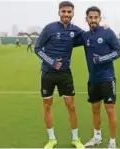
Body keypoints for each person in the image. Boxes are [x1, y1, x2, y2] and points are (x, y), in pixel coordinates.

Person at [34, 1, 85, 148]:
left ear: (73, 13)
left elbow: (89, 37)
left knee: (71, 106)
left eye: (69, 12)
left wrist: (103, 28)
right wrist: (51, 62)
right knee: (47, 106)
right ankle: (51, 139)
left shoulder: (76, 31)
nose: (66, 15)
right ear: (59, 12)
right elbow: (37, 48)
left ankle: (75, 139)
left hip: (65, 74)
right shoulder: (49, 28)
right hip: (47, 73)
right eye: (64, 12)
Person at [75, 6, 120, 149]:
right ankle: (97, 137)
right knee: (95, 109)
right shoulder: (85, 36)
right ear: (87, 19)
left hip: (107, 79)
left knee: (110, 110)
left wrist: (102, 59)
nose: (93, 20)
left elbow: (119, 51)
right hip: (93, 79)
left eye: (96, 17)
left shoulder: (108, 33)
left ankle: (112, 143)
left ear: (100, 19)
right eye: (91, 17)